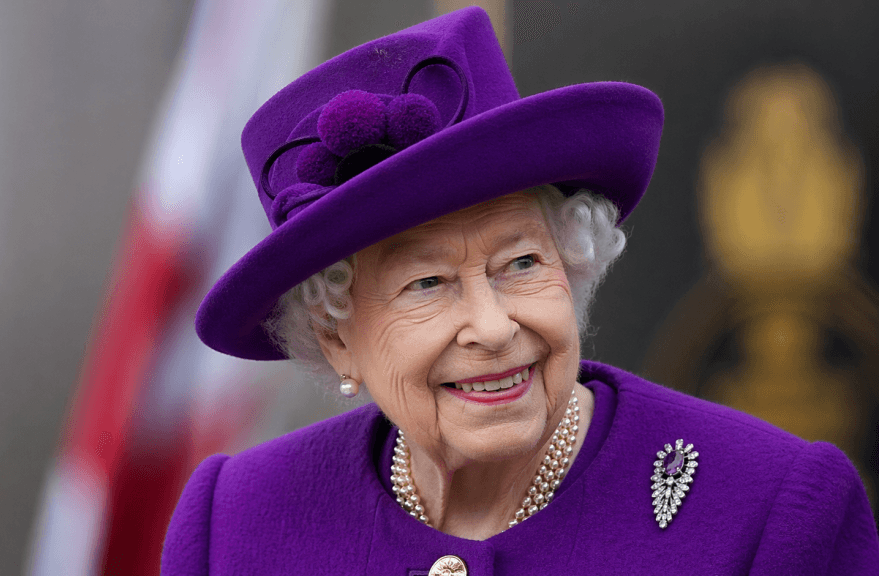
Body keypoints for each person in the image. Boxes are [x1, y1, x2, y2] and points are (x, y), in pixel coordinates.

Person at [161, 7, 879, 575]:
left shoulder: (774, 508)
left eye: (521, 263)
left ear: (573, 264)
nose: (494, 325)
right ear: (336, 337)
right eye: (428, 283)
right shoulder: (236, 525)